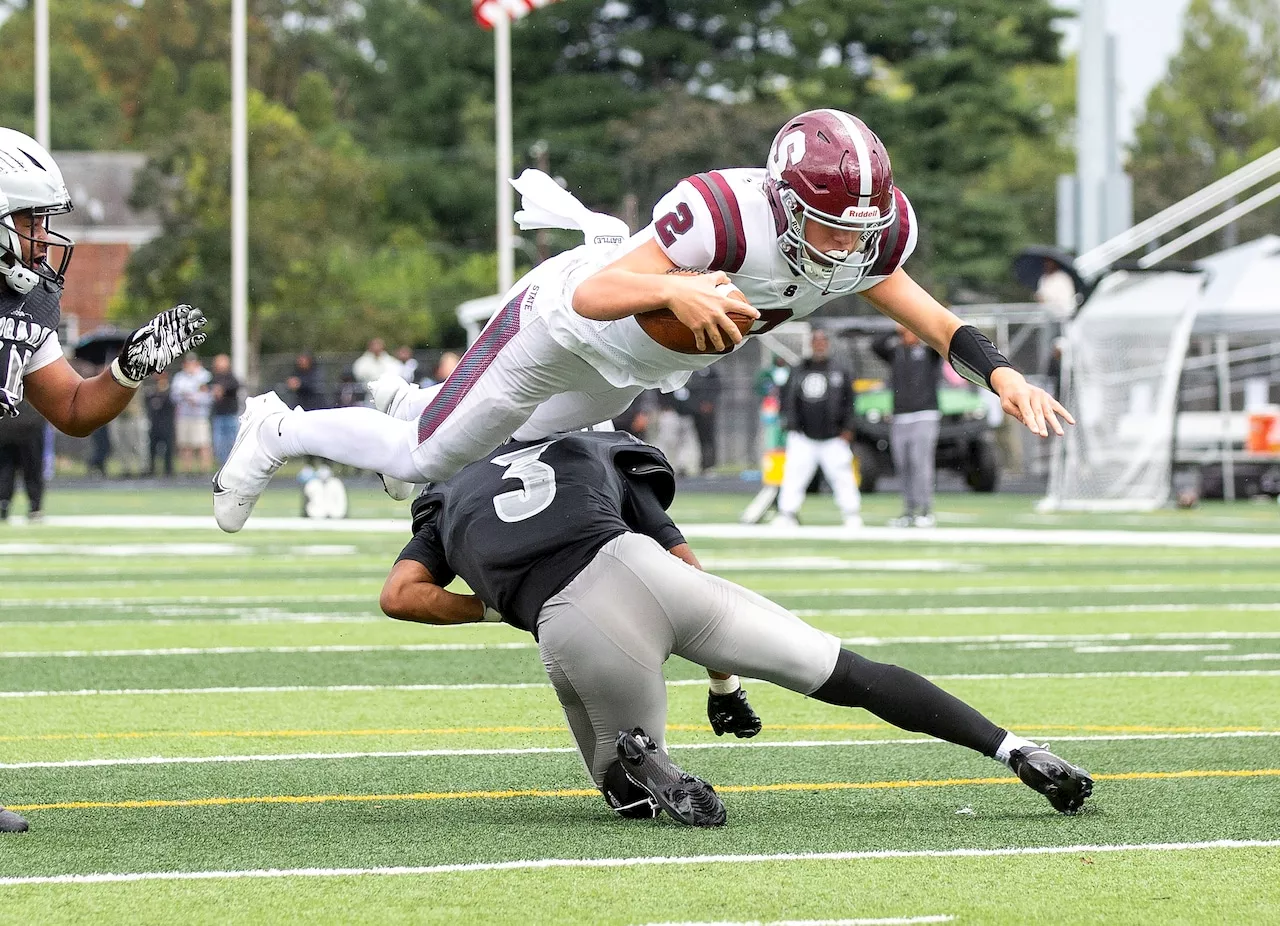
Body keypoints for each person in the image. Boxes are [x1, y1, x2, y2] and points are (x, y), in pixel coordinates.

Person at [215, 108, 1071, 532]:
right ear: (782, 200)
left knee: (465, 445)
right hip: (561, 327)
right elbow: (592, 297)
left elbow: (926, 314)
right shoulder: (721, 213)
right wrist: (677, 289)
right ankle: (278, 429)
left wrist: (1001, 372)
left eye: (858, 228)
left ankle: (406, 405)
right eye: (827, 224)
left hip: (629, 371)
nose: (844, 245)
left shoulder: (868, 235)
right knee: (426, 459)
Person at [379, 430, 1092, 826]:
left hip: (570, 618)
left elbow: (401, 596)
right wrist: (723, 682)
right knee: (850, 673)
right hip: (651, 572)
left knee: (624, 798)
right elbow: (683, 562)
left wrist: (508, 602)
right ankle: (1016, 749)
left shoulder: (448, 493)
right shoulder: (586, 444)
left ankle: (645, 760)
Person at [0, 127, 206, 833]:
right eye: (30, 221)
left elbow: (74, 409)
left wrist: (129, 367)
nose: (41, 237)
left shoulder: (22, 301)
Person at [774, 328, 861, 528]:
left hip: (833, 436)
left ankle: (851, 513)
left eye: (823, 341)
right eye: (816, 341)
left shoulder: (840, 370)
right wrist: (789, 422)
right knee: (794, 475)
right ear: (811, 344)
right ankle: (787, 513)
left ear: (827, 344)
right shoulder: (798, 370)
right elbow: (786, 398)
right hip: (803, 435)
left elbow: (851, 402)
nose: (819, 345)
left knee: (842, 476)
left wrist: (848, 427)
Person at [874, 324, 944, 527]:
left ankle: (925, 510)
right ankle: (909, 510)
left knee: (920, 462)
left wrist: (917, 324)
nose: (908, 334)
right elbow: (875, 345)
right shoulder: (895, 353)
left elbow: (938, 340)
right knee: (903, 464)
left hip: (924, 415)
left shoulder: (928, 353)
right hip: (900, 417)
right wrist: (895, 329)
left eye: (910, 330)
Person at [0, 397, 46, 521]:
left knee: (5, 470)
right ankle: (35, 506)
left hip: (5, 425)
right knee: (32, 469)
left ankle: (3, 504)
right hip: (29, 425)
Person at [170, 353, 213, 473]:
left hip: (200, 415)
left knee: (203, 443)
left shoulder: (205, 376)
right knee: (185, 444)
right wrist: (186, 397)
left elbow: (209, 396)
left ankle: (205, 470)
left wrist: (196, 399)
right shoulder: (179, 377)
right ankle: (186, 470)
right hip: (183, 415)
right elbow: (174, 395)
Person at [685, 365, 721, 473]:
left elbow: (717, 388)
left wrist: (709, 403)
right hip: (696, 412)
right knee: (698, 438)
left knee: (709, 438)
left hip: (709, 413)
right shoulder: (692, 371)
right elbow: (690, 391)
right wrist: (697, 406)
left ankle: (710, 464)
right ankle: (701, 464)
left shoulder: (711, 371)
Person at [209, 353, 240, 465]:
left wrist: (222, 390)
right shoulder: (213, 378)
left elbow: (235, 386)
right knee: (219, 443)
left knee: (233, 441)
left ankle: (234, 464)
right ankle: (223, 464)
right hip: (218, 415)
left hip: (230, 414)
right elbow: (207, 388)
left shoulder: (231, 377)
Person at [145, 373, 176, 477]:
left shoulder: (169, 393)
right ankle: (152, 469)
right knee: (152, 448)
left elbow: (171, 403)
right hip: (155, 424)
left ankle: (168, 470)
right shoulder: (152, 393)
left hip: (167, 425)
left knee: (168, 449)